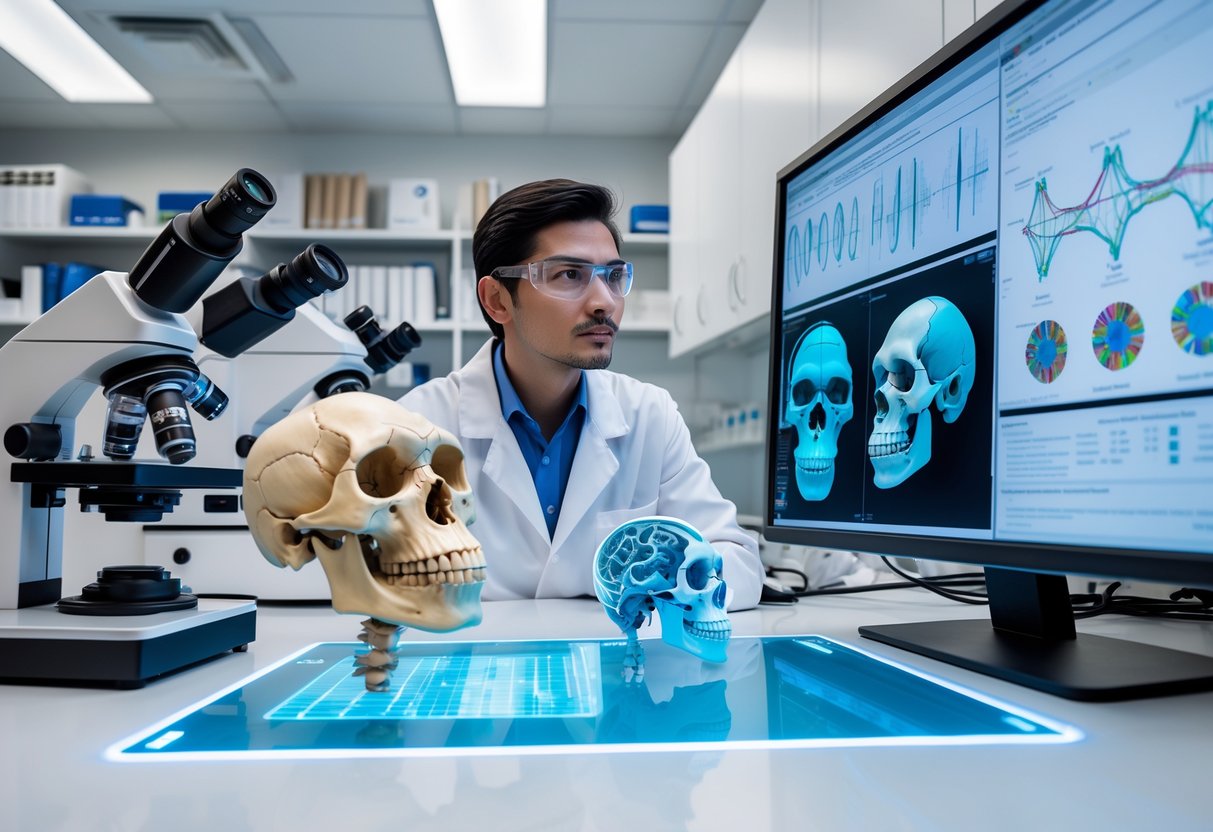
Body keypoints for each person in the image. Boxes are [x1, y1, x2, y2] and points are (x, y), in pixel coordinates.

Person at [400, 179, 762, 609]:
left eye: (613, 276)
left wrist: (655, 571)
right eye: (570, 275)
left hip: (610, 670)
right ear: (497, 300)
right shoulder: (415, 426)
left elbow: (737, 565)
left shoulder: (650, 415)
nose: (603, 302)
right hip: (473, 667)